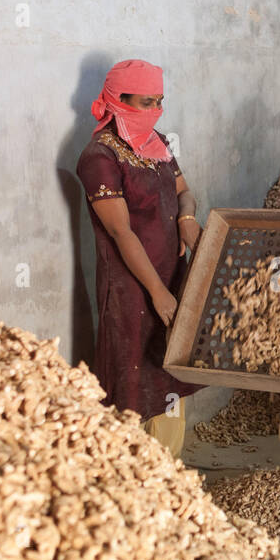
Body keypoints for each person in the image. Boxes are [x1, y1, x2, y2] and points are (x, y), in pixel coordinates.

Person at [75, 59, 203, 458]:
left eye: (159, 102)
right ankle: (133, 478)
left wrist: (186, 216)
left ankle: (168, 472)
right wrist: (158, 293)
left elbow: (185, 190)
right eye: (146, 103)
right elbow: (120, 232)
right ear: (118, 100)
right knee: (131, 376)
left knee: (170, 370)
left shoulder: (156, 142)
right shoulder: (100, 158)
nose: (155, 111)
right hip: (131, 287)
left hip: (170, 270)